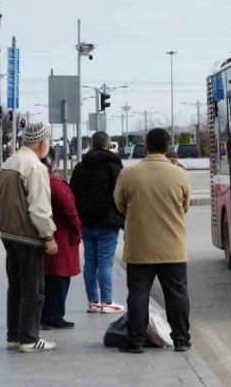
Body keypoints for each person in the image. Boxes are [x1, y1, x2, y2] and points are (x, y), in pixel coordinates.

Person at [114, 128, 192, 354]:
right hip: (173, 247)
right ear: (168, 149)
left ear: (145, 146)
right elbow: (184, 206)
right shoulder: (180, 175)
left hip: (140, 247)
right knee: (177, 293)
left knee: (138, 293)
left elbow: (120, 204)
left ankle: (136, 340)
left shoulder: (129, 174)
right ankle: (181, 339)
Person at [0, 122, 58, 353]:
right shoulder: (35, 167)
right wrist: (49, 236)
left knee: (16, 289)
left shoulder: (10, 162)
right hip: (28, 237)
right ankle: (30, 338)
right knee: (33, 290)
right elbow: (39, 208)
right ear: (43, 143)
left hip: (8, 233)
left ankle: (14, 335)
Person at [69, 131, 126, 314]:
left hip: (86, 221)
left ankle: (92, 301)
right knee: (105, 262)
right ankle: (107, 301)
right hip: (108, 221)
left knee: (90, 261)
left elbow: (72, 193)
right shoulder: (114, 165)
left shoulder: (80, 167)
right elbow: (121, 193)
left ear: (92, 145)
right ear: (108, 145)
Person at [39, 147, 82, 330]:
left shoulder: (40, 180)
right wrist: (77, 229)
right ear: (51, 161)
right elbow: (68, 209)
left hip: (52, 234)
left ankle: (51, 314)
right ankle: (53, 316)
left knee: (51, 277)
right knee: (59, 277)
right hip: (61, 236)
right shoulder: (53, 182)